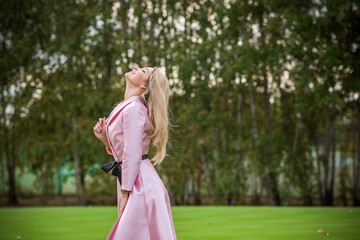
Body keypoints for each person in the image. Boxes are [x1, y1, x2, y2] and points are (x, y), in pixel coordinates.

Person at [93, 66, 177, 240]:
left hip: (139, 184)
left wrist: (125, 192)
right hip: (134, 180)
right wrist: (104, 138)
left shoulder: (134, 109)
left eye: (144, 71)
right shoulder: (129, 107)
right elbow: (124, 150)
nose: (136, 68)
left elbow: (132, 155)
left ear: (143, 87)